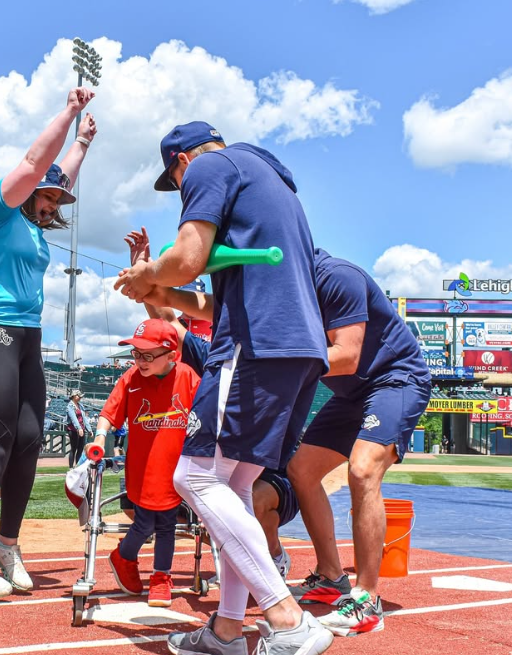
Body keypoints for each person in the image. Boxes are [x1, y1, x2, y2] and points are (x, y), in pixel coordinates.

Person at [116, 122, 333, 655]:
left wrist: (150, 274)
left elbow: (188, 256)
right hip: (293, 347)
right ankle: (228, 630)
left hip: (254, 345)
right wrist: (159, 286)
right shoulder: (271, 185)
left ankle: (287, 618)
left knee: (192, 477)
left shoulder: (211, 166)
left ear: (182, 164)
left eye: (176, 183)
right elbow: (211, 303)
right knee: (231, 489)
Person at [0, 87, 97, 598]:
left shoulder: (34, 227)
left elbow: (55, 175)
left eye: (57, 199)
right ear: (26, 191)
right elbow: (36, 165)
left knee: (29, 437)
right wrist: (70, 112)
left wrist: (82, 145)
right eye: (45, 196)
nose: (51, 204)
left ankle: (4, 544)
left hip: (26, 338)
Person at [124, 228, 297, 584]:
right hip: (220, 464)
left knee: (253, 496)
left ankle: (274, 555)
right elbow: (168, 323)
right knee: (180, 496)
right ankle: (235, 582)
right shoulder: (210, 356)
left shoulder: (270, 353)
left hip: (268, 471)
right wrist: (144, 275)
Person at [288, 249, 431, 636]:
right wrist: (159, 292)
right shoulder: (281, 283)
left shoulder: (336, 276)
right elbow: (217, 311)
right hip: (351, 394)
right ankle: (332, 577)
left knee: (363, 468)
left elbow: (347, 356)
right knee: (300, 470)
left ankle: (367, 599)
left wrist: (277, 358)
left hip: (395, 378)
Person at [85, 319, 200, 607]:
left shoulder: (188, 377)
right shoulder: (131, 378)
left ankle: (161, 575)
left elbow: (205, 416)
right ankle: (126, 556)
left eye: (148, 355)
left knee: (167, 524)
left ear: (172, 355)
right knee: (147, 521)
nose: (140, 360)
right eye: (136, 353)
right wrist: (100, 438)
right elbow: (109, 413)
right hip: (143, 467)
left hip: (175, 469)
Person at [65, 390, 87, 468]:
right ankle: (71, 467)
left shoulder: (80, 405)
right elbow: (73, 418)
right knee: (73, 449)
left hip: (82, 429)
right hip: (73, 430)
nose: (80, 397)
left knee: (80, 449)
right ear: (74, 396)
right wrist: (79, 428)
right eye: (79, 396)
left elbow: (84, 418)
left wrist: (89, 429)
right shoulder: (70, 406)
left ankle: (78, 466)